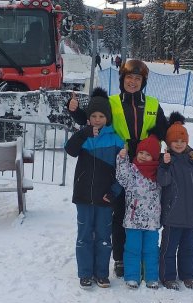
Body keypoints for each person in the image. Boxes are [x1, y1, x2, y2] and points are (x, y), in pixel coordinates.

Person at [67, 59, 168, 278]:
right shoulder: (111, 102)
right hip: (117, 163)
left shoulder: (152, 104)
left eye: (138, 79)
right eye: (129, 78)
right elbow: (92, 117)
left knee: (144, 211)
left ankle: (143, 255)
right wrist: (74, 112)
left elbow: (163, 130)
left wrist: (177, 148)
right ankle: (121, 258)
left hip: (145, 168)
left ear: (143, 82)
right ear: (122, 80)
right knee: (121, 211)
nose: (133, 82)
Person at [65, 87, 124, 289]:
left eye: (101, 116)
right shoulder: (84, 136)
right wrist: (83, 133)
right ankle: (85, 273)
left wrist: (114, 192)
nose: (97, 119)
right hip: (83, 196)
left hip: (105, 199)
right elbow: (70, 150)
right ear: (88, 117)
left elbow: (123, 171)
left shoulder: (116, 140)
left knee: (103, 237)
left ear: (107, 118)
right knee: (84, 236)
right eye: (93, 116)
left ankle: (101, 273)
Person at [157, 112, 193, 291]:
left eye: (182, 141)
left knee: (188, 249)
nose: (179, 144)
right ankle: (168, 276)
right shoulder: (167, 161)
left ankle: (187, 275)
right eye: (175, 141)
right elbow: (162, 181)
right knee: (169, 249)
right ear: (169, 143)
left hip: (190, 216)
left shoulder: (191, 162)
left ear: (186, 142)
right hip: (173, 215)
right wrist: (164, 165)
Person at [115, 135, 162, 290]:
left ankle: (151, 277)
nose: (143, 156)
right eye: (141, 152)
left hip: (152, 221)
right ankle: (132, 276)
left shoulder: (158, 174)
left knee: (151, 250)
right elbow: (122, 178)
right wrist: (122, 159)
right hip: (133, 220)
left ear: (154, 157)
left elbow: (168, 179)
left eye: (148, 154)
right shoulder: (132, 170)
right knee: (132, 249)